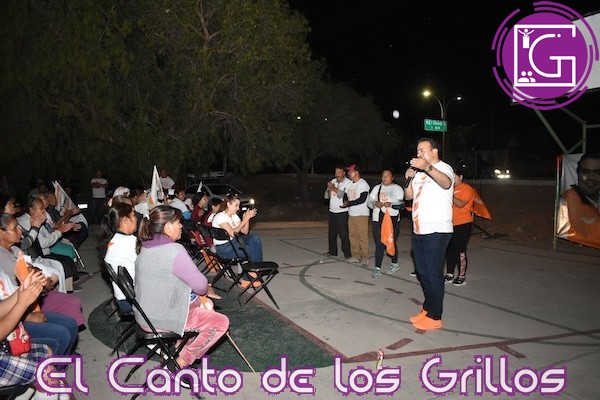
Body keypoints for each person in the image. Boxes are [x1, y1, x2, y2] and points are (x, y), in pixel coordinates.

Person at [135, 205, 229, 370]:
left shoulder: (145, 246)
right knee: (220, 322)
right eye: (178, 222)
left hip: (145, 314)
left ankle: (179, 346)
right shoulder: (174, 250)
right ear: (168, 226)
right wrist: (206, 287)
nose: (181, 226)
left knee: (202, 304)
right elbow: (200, 286)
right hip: (160, 319)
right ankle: (180, 363)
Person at [404, 138, 454, 331]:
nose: (418, 154)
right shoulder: (419, 173)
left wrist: (427, 167)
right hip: (420, 229)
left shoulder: (444, 168)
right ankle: (427, 308)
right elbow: (408, 196)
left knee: (433, 274)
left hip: (437, 230)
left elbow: (446, 183)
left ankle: (435, 316)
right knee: (423, 272)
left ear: (434, 151)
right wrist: (408, 179)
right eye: (417, 151)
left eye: (422, 150)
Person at [557, 153, 600, 249]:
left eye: (598, 173)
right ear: (577, 174)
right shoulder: (567, 200)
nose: (591, 178)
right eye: (586, 171)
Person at [102, 203, 138, 314]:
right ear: (125, 220)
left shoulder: (114, 241)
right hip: (132, 299)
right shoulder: (128, 243)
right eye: (133, 215)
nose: (136, 219)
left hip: (123, 296)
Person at [368, 169, 404, 278]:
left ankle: (394, 263)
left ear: (392, 177)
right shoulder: (377, 188)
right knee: (379, 243)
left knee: (390, 241)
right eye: (383, 176)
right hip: (377, 218)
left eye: (387, 176)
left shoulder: (397, 189)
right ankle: (377, 268)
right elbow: (369, 202)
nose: (384, 178)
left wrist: (391, 204)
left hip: (392, 220)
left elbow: (401, 205)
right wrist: (375, 203)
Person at [445, 166, 476, 286]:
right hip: (450, 223)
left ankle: (461, 275)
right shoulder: (450, 188)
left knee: (460, 250)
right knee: (450, 250)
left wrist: (449, 194)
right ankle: (449, 273)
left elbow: (461, 204)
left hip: (463, 223)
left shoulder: (466, 188)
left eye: (455, 176)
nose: (452, 179)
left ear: (461, 177)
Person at [212, 193, 262, 263]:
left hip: (234, 242)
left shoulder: (234, 216)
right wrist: (244, 220)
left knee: (254, 238)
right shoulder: (220, 217)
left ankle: (256, 267)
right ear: (228, 204)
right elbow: (232, 233)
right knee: (252, 250)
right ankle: (255, 268)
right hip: (223, 248)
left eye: (238, 205)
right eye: (236, 205)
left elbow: (244, 231)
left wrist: (246, 219)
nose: (238, 208)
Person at [341, 164, 370, 265]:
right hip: (352, 214)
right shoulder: (349, 184)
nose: (348, 173)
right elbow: (345, 194)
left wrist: (349, 203)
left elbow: (362, 199)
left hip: (361, 214)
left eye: (350, 171)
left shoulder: (363, 184)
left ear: (356, 172)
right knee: (353, 236)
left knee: (363, 237)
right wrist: (345, 201)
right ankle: (356, 256)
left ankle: (365, 257)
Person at [323, 165, 351, 260]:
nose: (337, 175)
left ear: (344, 173)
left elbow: (344, 195)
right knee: (332, 233)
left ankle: (347, 253)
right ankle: (332, 251)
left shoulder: (348, 183)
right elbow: (326, 196)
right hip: (332, 211)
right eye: (336, 172)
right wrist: (328, 190)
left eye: (339, 172)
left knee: (343, 234)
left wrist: (333, 188)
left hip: (342, 212)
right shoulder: (333, 181)